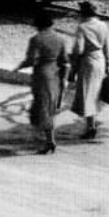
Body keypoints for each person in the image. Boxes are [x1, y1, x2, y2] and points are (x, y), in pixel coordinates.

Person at [15, 8, 70, 154]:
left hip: (42, 76)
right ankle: (49, 140)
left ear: (38, 25)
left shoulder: (36, 39)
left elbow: (31, 60)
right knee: (50, 108)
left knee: (43, 108)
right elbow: (65, 61)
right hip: (56, 76)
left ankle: (49, 141)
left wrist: (19, 67)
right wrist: (64, 80)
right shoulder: (61, 39)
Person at [70, 1, 109, 140]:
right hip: (100, 60)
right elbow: (107, 47)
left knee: (88, 95)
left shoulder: (82, 27)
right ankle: (92, 124)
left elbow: (78, 49)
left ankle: (91, 127)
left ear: (82, 13)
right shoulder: (103, 25)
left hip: (88, 63)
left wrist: (72, 69)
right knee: (95, 94)